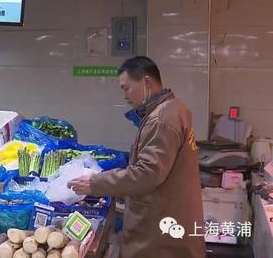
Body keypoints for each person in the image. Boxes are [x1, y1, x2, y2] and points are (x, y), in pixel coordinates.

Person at [68, 56, 205, 258]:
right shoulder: (176, 107)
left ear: (146, 82)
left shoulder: (161, 119)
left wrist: (95, 183)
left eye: (126, 88)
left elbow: (147, 174)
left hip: (160, 229)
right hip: (173, 215)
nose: (124, 95)